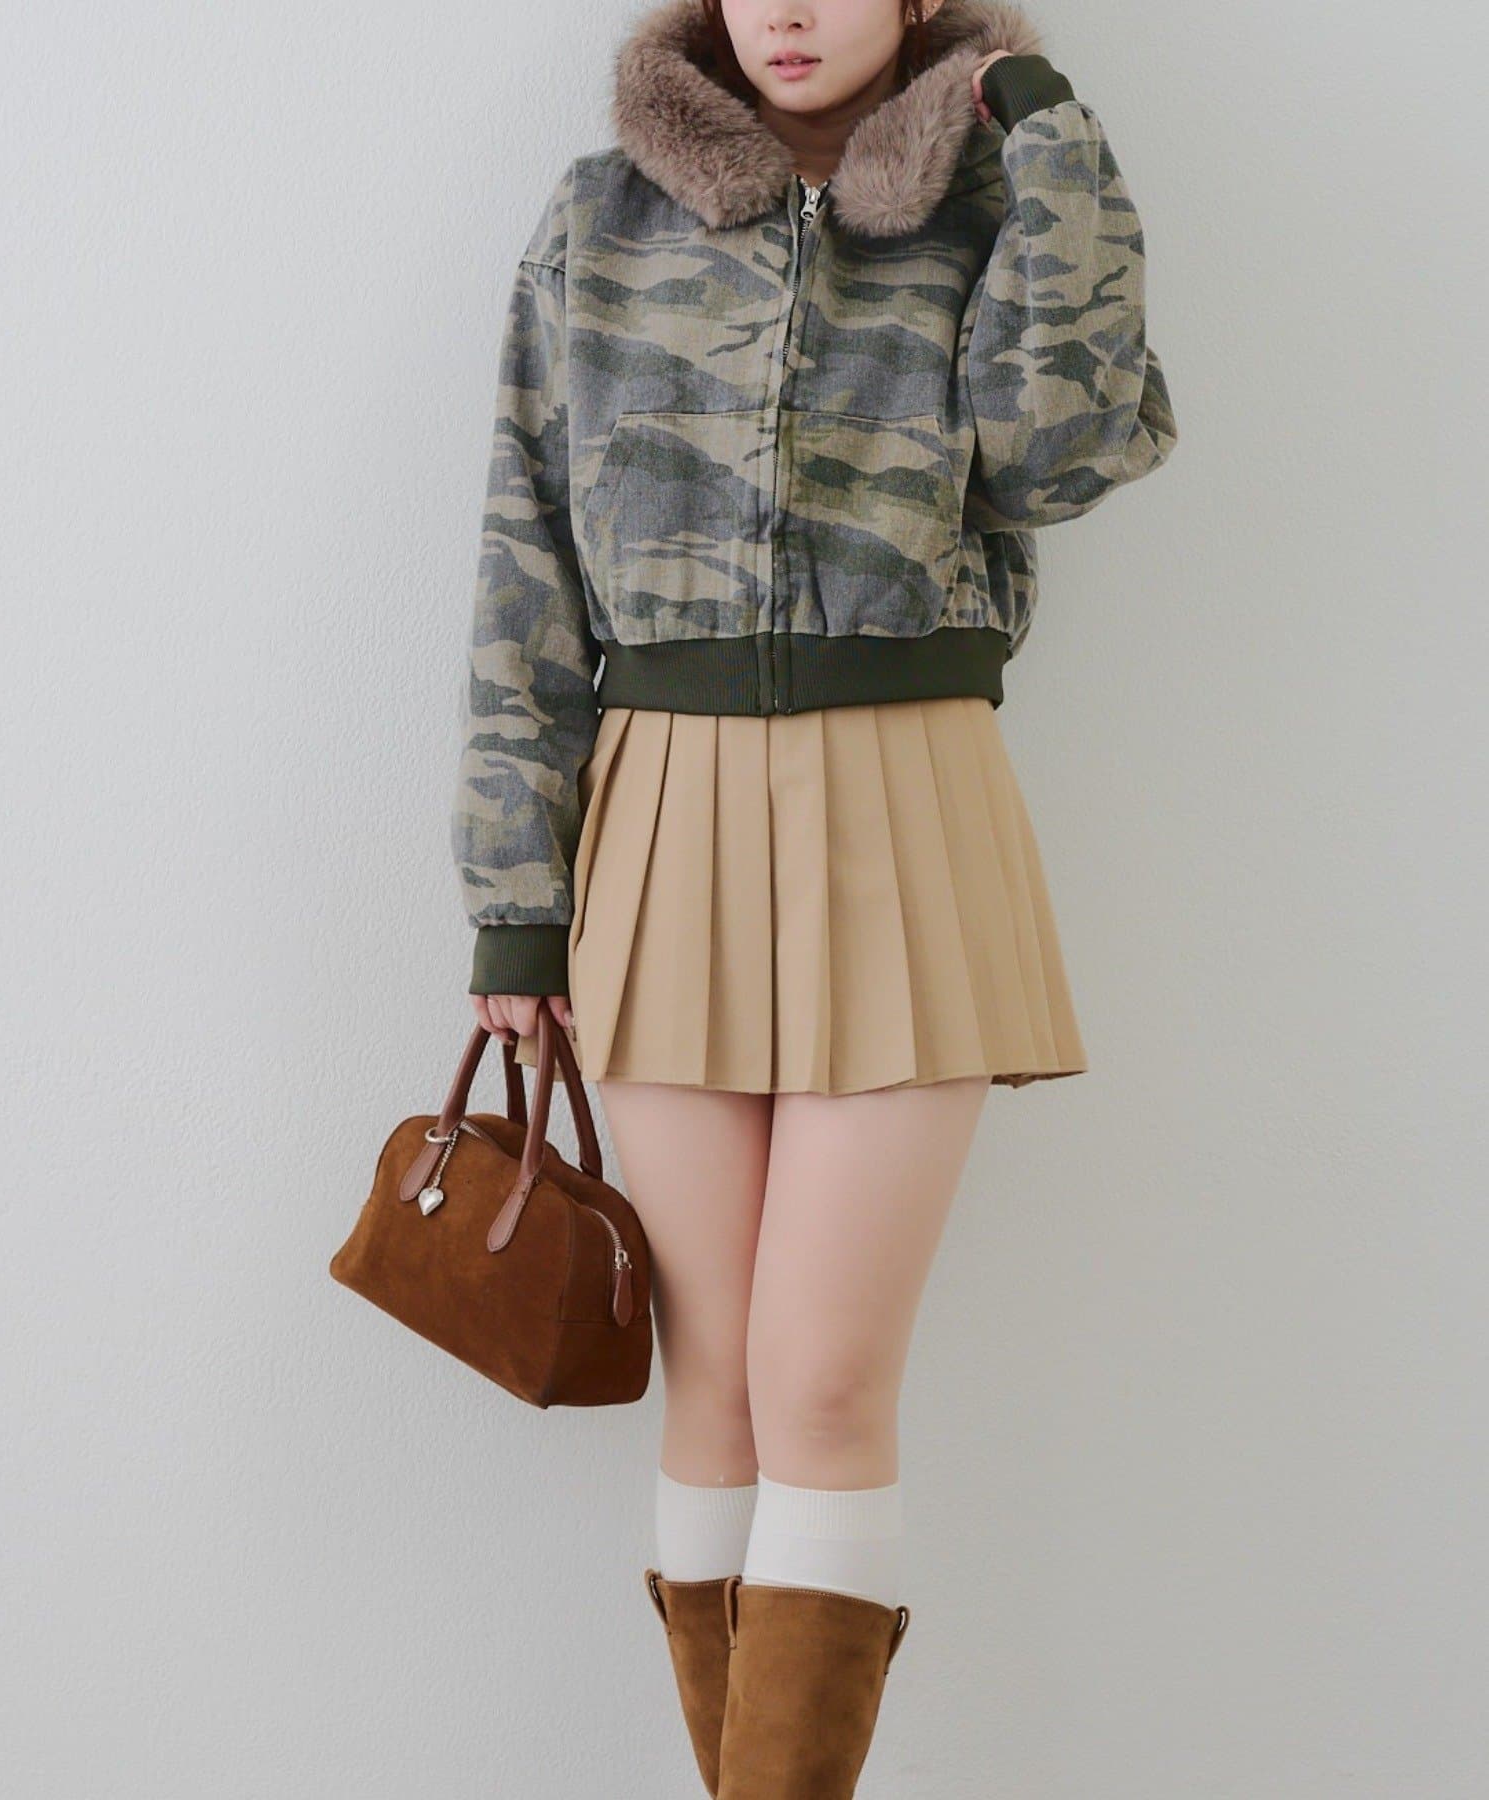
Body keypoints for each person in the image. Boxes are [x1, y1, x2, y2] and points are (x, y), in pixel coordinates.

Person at [451, 0, 1176, 1790]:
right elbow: (526, 556)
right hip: (659, 813)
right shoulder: (599, 215)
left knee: (825, 1383)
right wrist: (514, 898)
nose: (787, 9)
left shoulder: (995, 193)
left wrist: (1045, 127)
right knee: (714, 1385)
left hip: (907, 799)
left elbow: (1068, 454)